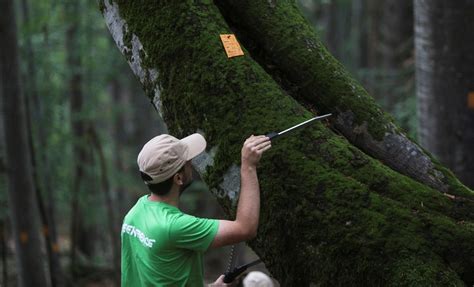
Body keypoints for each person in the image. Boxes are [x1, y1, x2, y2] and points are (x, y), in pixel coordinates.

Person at [121, 133, 271, 286]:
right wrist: (248, 166)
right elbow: (246, 229)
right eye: (187, 161)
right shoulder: (174, 226)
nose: (191, 162)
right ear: (178, 178)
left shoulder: (135, 214)